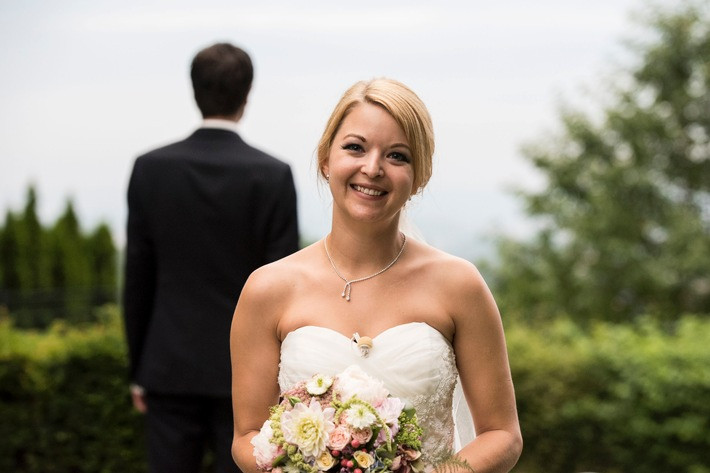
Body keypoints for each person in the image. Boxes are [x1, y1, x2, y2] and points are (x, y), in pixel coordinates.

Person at [229, 78, 522, 473]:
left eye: (397, 156)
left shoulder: (459, 285)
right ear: (325, 159)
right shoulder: (268, 289)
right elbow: (247, 436)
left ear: (419, 176)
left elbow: (502, 434)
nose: (372, 168)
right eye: (355, 147)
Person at [123, 42, 299, 473]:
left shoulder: (151, 168)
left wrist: (138, 367)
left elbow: (138, 278)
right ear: (247, 93)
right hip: (249, 370)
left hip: (168, 364)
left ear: (194, 90)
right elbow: (286, 287)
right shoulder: (272, 175)